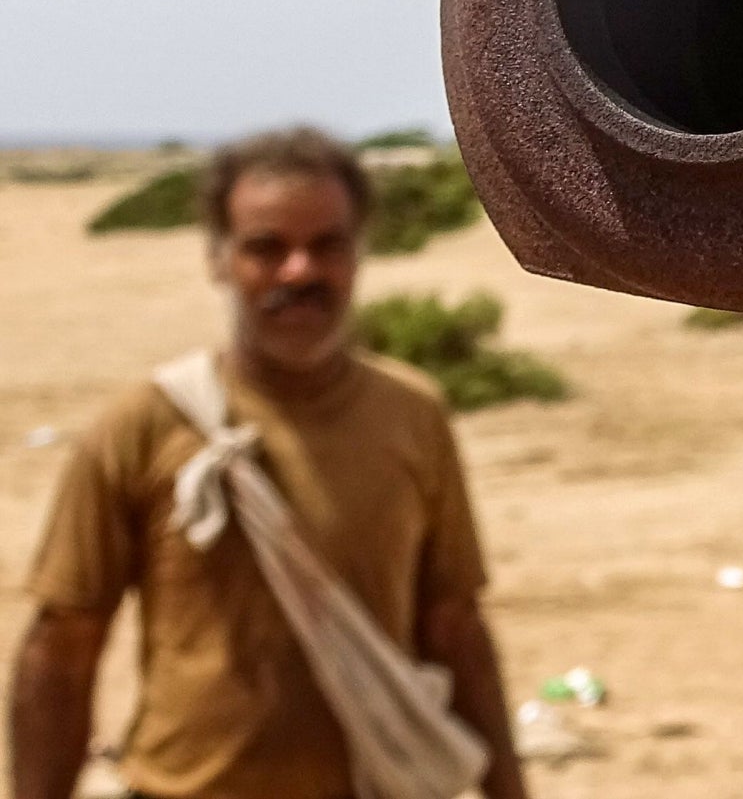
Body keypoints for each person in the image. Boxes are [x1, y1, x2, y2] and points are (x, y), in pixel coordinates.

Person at [8, 127, 529, 799]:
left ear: (358, 251)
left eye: (326, 244)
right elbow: (63, 647)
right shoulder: (144, 424)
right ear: (218, 260)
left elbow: (454, 625)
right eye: (266, 248)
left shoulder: (413, 415)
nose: (299, 271)